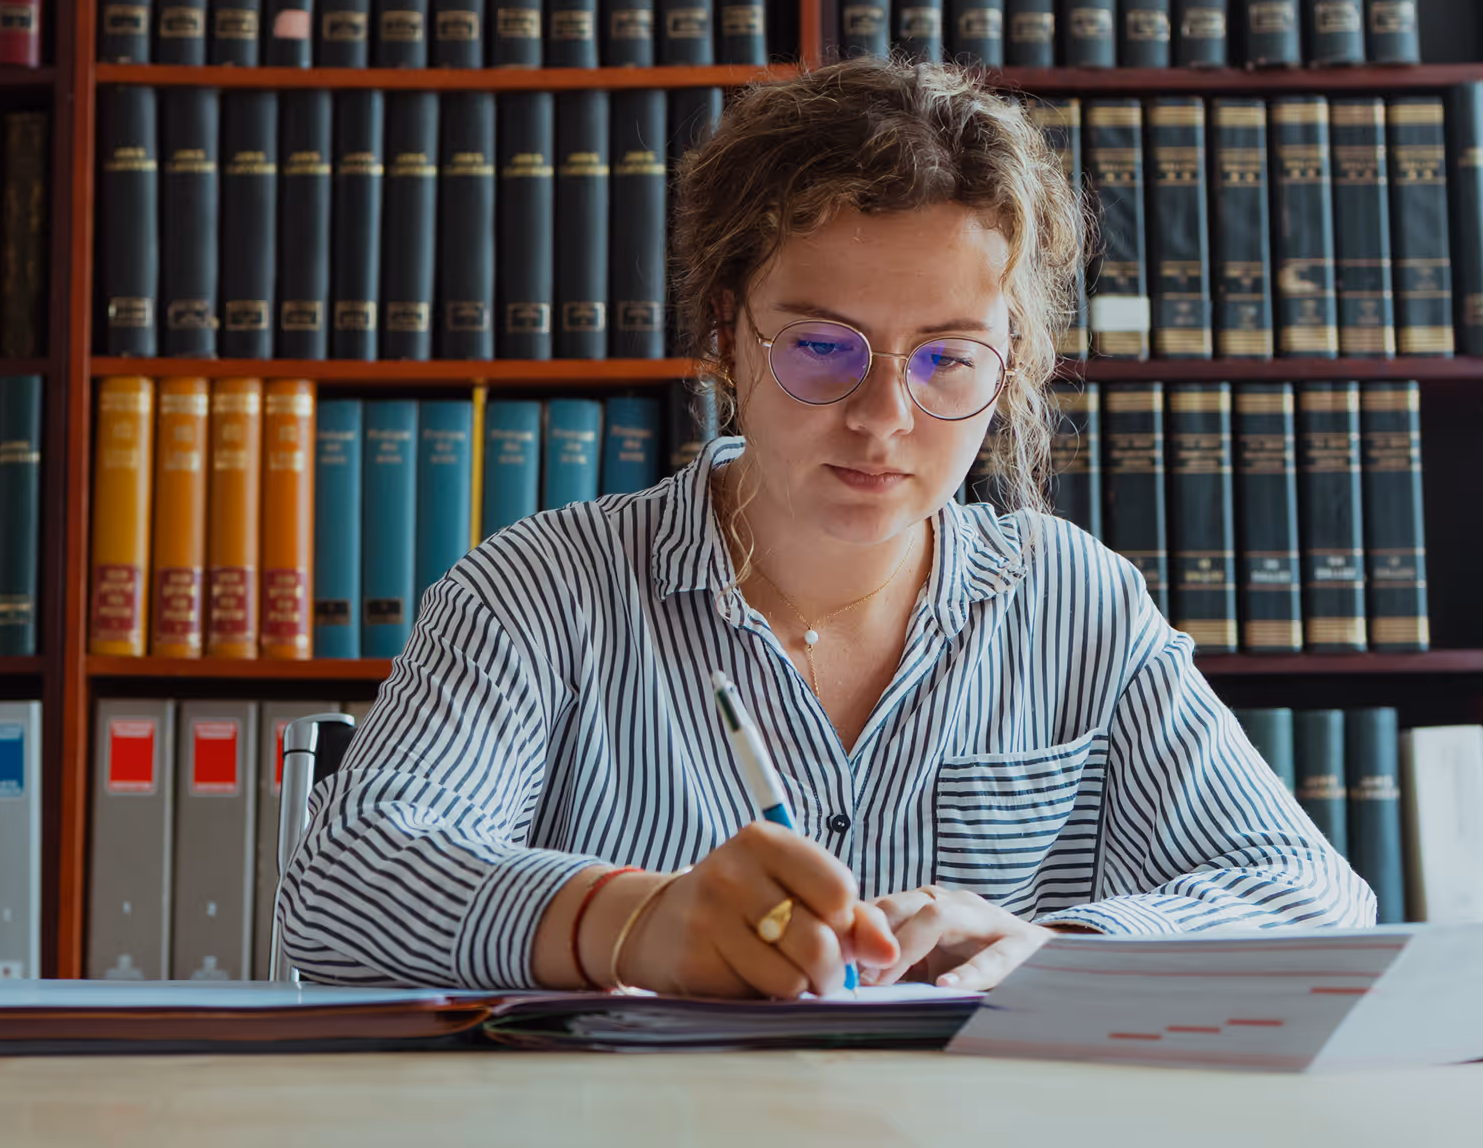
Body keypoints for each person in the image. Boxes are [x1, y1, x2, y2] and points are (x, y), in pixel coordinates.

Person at [275, 57, 1373, 1000]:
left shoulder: (1071, 601)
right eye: (823, 348)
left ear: (1011, 368)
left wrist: (1058, 950)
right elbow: (337, 893)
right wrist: (633, 923)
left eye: (949, 358)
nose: (886, 418)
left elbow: (1313, 898)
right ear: (725, 331)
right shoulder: (545, 592)